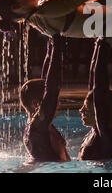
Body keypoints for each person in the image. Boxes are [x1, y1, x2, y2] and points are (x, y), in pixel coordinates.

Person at [20, 34, 70, 162]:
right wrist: (58, 44)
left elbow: (47, 81)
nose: (57, 102)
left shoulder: (36, 124)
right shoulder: (39, 123)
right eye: (53, 100)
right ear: (36, 103)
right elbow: (52, 87)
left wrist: (51, 44)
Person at [79, 38, 112, 160]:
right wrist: (98, 44)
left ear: (100, 111)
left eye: (86, 108)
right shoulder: (96, 130)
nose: (80, 110)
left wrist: (104, 44)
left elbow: (99, 86)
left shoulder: (107, 133)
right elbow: (93, 84)